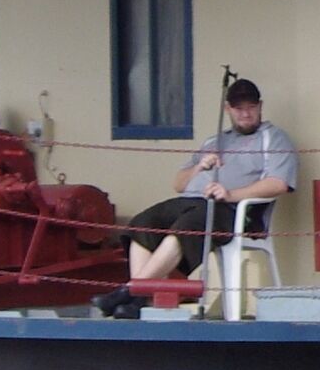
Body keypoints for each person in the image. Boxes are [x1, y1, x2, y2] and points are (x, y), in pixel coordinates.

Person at [104, 74, 298, 314]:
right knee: (144, 222)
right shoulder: (214, 141)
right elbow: (178, 184)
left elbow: (279, 183)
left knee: (188, 226)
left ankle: (130, 292)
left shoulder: (273, 138)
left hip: (234, 211)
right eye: (239, 109)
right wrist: (199, 167)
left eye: (251, 108)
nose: (246, 114)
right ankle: (139, 300)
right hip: (193, 201)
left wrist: (229, 194)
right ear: (228, 109)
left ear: (260, 106)